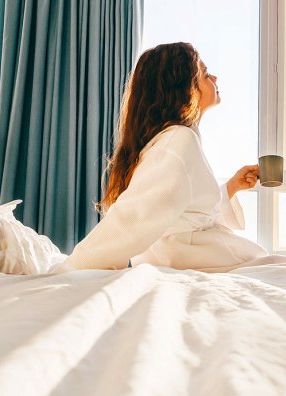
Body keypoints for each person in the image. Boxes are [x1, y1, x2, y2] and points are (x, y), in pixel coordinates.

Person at [61, 42, 271, 272]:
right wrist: (68, 271)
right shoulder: (178, 141)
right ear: (184, 88)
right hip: (195, 264)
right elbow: (133, 220)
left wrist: (230, 188)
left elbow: (185, 217)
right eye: (204, 73)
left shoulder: (175, 140)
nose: (215, 78)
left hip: (195, 260)